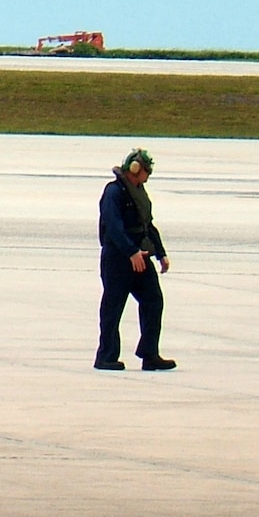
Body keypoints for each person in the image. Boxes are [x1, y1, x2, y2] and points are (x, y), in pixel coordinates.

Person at [95, 148, 176, 371]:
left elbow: (147, 225)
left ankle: (149, 354)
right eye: (146, 172)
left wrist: (160, 253)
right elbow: (113, 226)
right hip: (118, 259)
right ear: (136, 169)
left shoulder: (139, 192)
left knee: (153, 300)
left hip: (140, 257)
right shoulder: (114, 192)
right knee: (113, 306)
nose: (148, 177)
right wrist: (130, 251)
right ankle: (106, 356)